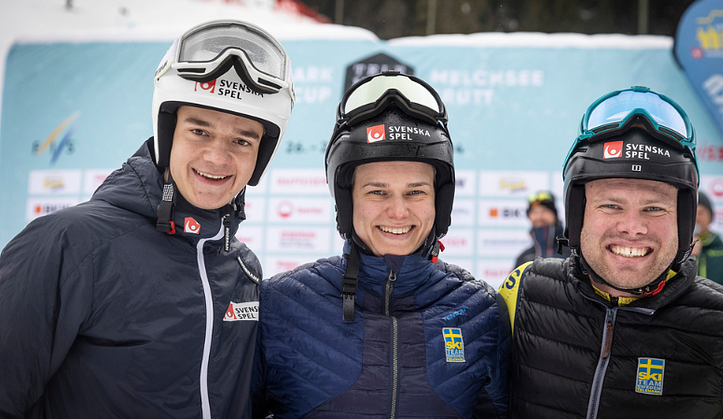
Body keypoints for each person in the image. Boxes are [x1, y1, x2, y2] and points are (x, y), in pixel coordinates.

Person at [0, 20, 294, 418]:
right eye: (200, 131)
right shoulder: (70, 244)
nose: (217, 158)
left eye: (242, 140)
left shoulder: (242, 271)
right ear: (167, 132)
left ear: (261, 155)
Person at [251, 71, 510, 418]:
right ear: (347, 201)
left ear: (439, 201)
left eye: (415, 192)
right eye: (377, 192)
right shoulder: (280, 305)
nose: (398, 211)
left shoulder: (482, 311)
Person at [499, 86, 723, 418]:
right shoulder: (523, 293)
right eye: (612, 205)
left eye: (654, 208)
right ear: (578, 214)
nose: (633, 227)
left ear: (683, 221)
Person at [693, 191, 723, 294]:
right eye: (692, 212)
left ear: (711, 217)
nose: (696, 218)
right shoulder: (674, 251)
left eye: (701, 213)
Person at [514, 191, 568, 268]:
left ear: (555, 215)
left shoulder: (572, 254)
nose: (539, 216)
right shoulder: (524, 258)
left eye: (544, 211)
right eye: (534, 212)